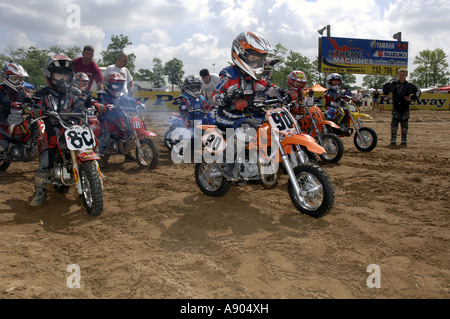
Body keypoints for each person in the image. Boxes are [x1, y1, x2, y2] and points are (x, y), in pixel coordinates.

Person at [29, 55, 106, 206]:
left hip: (72, 127)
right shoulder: (43, 93)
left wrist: (96, 105)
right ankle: (40, 191)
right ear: (49, 76)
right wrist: (38, 111)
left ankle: (94, 172)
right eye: (58, 74)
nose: (62, 78)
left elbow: (85, 100)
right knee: (47, 155)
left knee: (91, 144)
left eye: (65, 74)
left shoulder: (74, 92)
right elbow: (35, 106)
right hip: (53, 127)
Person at [212, 31, 293, 131]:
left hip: (246, 115)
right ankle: (235, 147)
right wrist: (228, 100)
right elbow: (215, 95)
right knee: (249, 128)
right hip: (226, 116)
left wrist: (284, 92)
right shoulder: (229, 75)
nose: (257, 63)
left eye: (260, 60)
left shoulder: (255, 79)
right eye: (253, 58)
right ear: (240, 53)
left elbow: (269, 88)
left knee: (267, 125)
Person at [95, 72, 139, 163]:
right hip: (106, 118)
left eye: (119, 84)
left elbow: (129, 100)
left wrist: (138, 104)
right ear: (108, 84)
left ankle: (128, 153)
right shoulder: (102, 94)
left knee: (128, 131)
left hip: (120, 117)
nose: (117, 86)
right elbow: (101, 102)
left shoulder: (121, 95)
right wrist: (106, 105)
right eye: (115, 84)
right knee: (106, 133)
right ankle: (99, 156)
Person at [0, 61, 32, 155]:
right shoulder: (2, 89)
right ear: (5, 77)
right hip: (3, 118)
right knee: (5, 138)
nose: (18, 82)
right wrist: (10, 104)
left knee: (29, 130)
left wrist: (33, 100)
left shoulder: (23, 90)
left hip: (18, 119)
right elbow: (3, 100)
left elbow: (29, 99)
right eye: (15, 78)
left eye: (20, 79)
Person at [383, 68, 421, 147]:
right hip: (396, 105)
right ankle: (393, 139)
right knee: (394, 122)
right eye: (400, 74)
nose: (401, 76)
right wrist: (387, 94)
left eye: (403, 75)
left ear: (406, 75)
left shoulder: (410, 85)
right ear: (398, 75)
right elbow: (385, 86)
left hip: (405, 105)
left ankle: (404, 139)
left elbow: (418, 91)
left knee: (404, 123)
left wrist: (412, 98)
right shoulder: (393, 84)